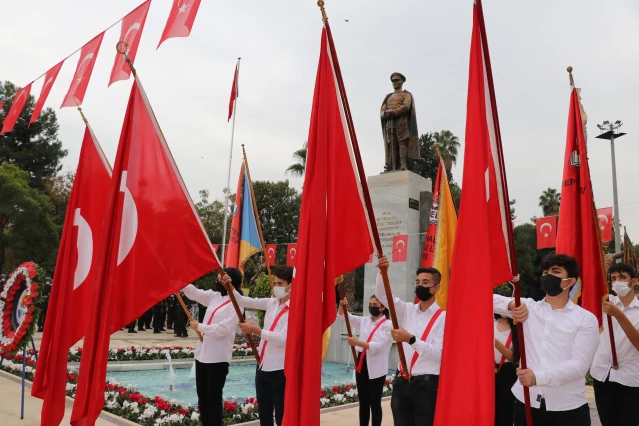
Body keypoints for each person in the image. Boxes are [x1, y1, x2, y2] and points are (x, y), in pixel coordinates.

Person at [493, 253, 599, 426]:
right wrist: (510, 305)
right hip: (526, 402)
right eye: (545, 272)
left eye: (555, 271)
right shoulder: (529, 307)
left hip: (567, 408)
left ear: (571, 281)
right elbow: (483, 299)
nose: (548, 276)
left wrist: (538, 377)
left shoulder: (585, 319)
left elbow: (579, 365)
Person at [375, 256, 446, 426]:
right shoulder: (407, 310)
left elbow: (439, 354)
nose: (420, 285)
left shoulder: (444, 317)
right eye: (418, 281)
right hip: (402, 384)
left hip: (427, 388)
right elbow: (383, 296)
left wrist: (411, 339)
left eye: (426, 282)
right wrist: (382, 272)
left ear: (437, 287)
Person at [231, 265, 293, 426]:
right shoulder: (272, 303)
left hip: (280, 369)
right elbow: (245, 300)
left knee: (281, 414)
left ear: (291, 285)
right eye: (275, 283)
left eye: (280, 284)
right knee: (264, 413)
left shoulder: (294, 309)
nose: (276, 287)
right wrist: (230, 286)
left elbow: (284, 338)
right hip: (262, 365)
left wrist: (256, 330)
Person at [183, 268, 243, 426]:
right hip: (202, 355)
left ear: (229, 281)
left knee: (213, 398)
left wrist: (200, 327)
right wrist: (179, 281)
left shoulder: (237, 303)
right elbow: (194, 292)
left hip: (217, 358)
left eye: (219, 279)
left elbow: (223, 330)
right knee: (202, 397)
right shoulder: (214, 296)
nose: (216, 281)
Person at [590, 263, 639, 426]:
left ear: (634, 281)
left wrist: (618, 315)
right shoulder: (604, 301)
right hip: (602, 375)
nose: (617, 281)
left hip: (631, 380)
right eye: (613, 278)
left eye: (622, 277)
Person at [338, 295, 392, 426]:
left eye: (375, 305)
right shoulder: (365, 321)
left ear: (383, 307)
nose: (372, 307)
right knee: (363, 402)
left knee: (375, 402)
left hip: (376, 367)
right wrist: (342, 305)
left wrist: (356, 342)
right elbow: (344, 317)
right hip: (361, 364)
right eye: (370, 304)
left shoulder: (388, 325)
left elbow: (377, 345)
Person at [494, 306, 520, 426]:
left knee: (505, 409)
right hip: (488, 370)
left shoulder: (517, 328)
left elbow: (514, 358)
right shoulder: (490, 322)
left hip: (508, 372)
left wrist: (496, 344)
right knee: (489, 407)